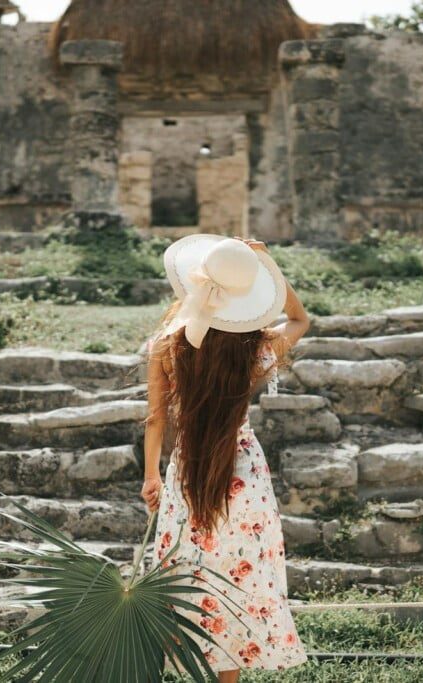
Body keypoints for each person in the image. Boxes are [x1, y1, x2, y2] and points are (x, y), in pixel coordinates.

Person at [141, 234, 311, 681]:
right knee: (240, 576)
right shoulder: (252, 348)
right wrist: (270, 269)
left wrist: (152, 476)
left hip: (187, 468)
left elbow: (155, 419)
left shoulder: (167, 345)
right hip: (243, 472)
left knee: (192, 577)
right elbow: (300, 318)